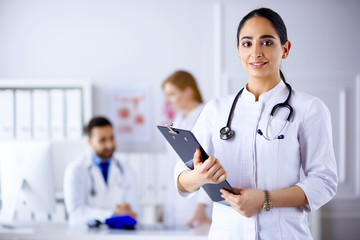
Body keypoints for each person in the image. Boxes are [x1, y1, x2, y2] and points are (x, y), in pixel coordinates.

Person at [174, 8, 338, 239]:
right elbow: (182, 177)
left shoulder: (310, 108)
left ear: (286, 49)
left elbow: (324, 182)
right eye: (247, 44)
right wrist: (200, 177)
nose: (256, 52)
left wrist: (264, 199)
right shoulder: (215, 110)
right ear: (238, 52)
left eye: (267, 42)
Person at [63, 116, 140, 225]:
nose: (109, 144)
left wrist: (129, 212)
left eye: (112, 138)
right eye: (102, 140)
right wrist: (113, 214)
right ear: (90, 142)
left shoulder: (126, 171)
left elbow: (136, 211)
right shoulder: (76, 170)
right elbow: (76, 213)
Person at [161, 70, 212, 228]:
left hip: (196, 205)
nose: (169, 100)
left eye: (172, 94)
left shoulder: (206, 116)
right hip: (177, 199)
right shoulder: (178, 119)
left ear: (188, 91)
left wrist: (201, 206)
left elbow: (208, 162)